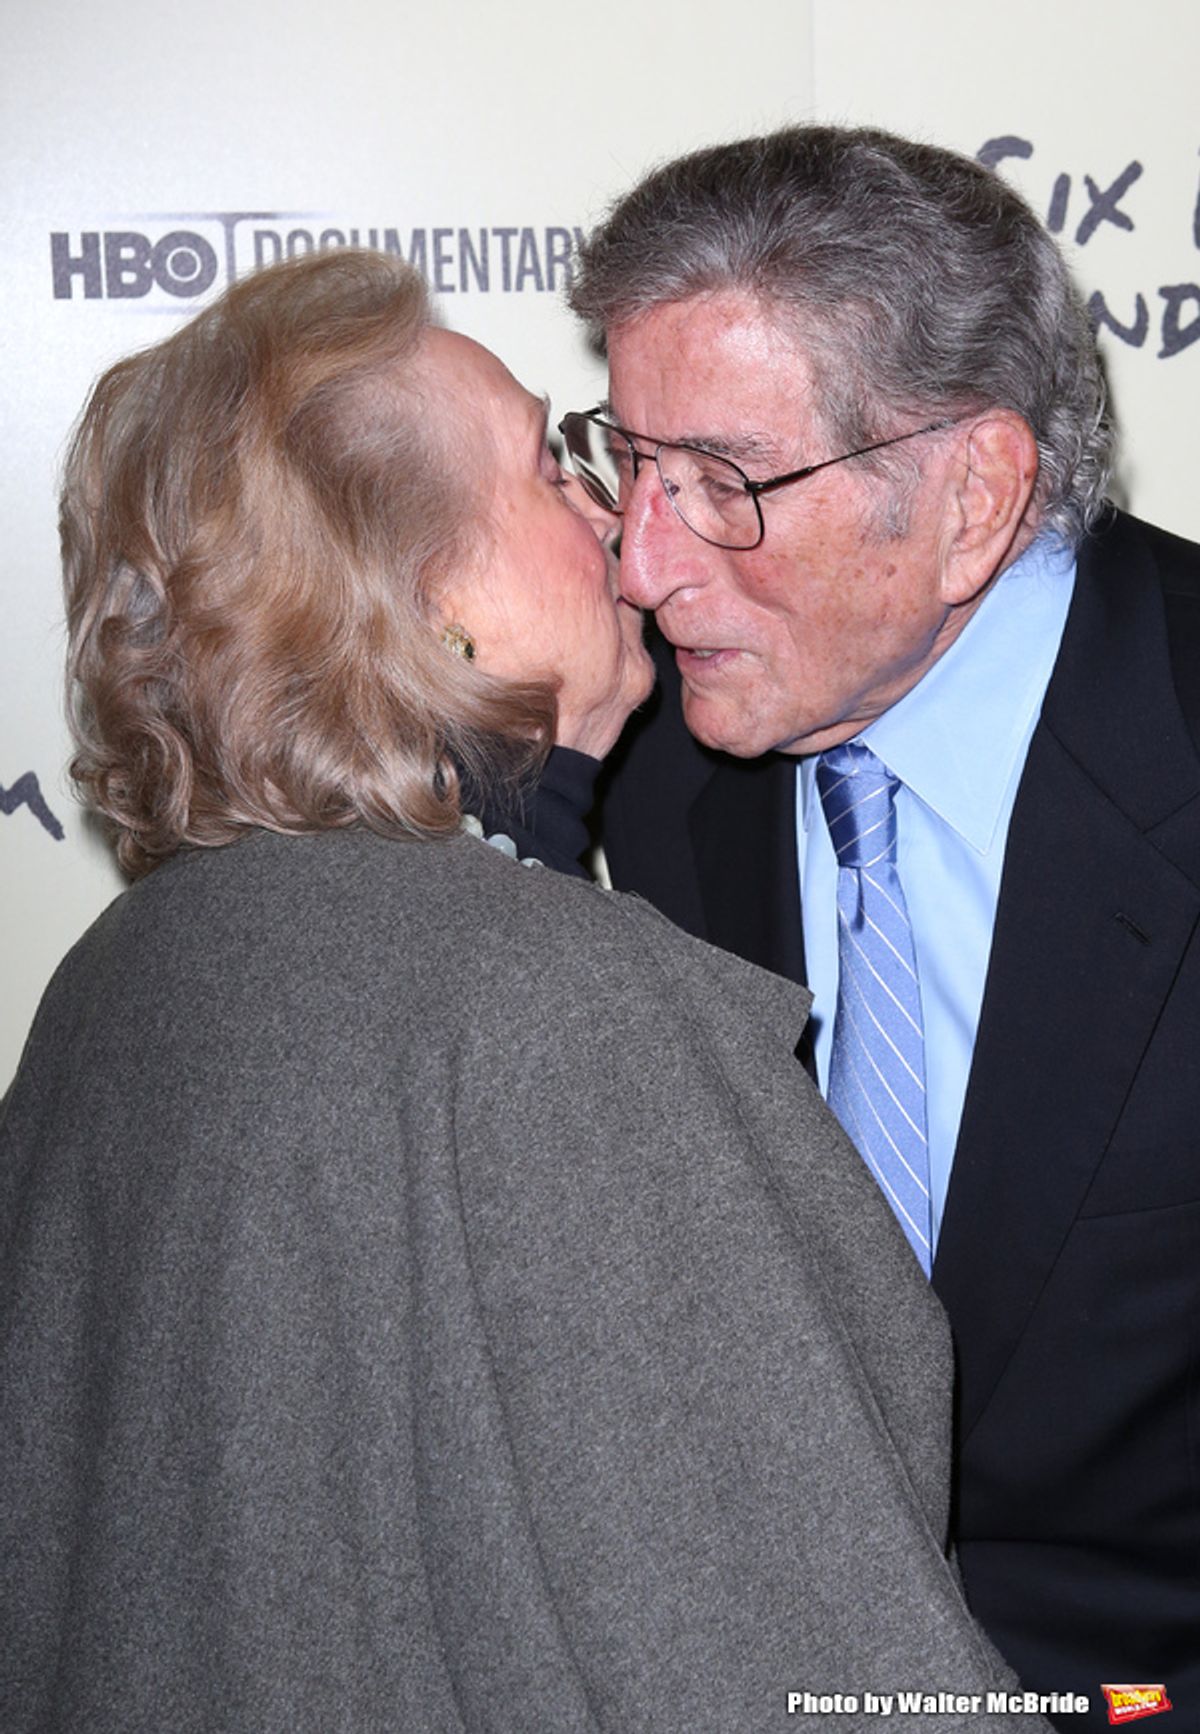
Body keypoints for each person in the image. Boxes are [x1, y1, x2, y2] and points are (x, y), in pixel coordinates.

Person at [0, 248, 1046, 1733]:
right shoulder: (555, 1013)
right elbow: (818, 1671)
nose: (624, 521)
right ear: (430, 609)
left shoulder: (117, 983)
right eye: (552, 474)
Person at [565, 125, 1200, 1732]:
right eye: (629, 464)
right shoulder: (643, 765)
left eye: (724, 483)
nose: (642, 566)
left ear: (972, 492)